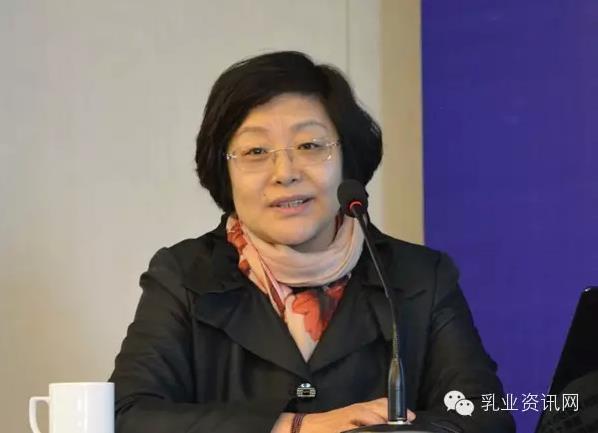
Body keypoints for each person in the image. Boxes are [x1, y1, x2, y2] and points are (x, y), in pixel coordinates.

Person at [109, 51, 515, 433]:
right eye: (255, 151)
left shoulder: (420, 277)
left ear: (347, 158)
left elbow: (484, 416)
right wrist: (297, 427)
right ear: (224, 171)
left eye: (309, 146)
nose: (285, 172)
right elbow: (127, 415)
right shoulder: (184, 276)